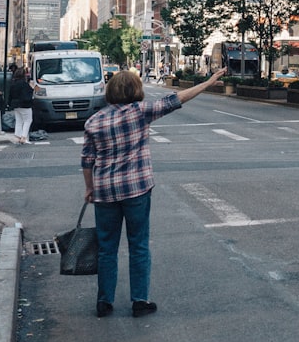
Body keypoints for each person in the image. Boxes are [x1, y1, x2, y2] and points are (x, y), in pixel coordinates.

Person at [81, 66, 228, 318]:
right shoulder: (141, 112)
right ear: (136, 90)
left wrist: (90, 188)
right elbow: (177, 99)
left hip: (105, 192)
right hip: (137, 189)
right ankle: (139, 300)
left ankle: (104, 301)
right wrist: (208, 82)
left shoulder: (94, 121)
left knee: (107, 248)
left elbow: (87, 160)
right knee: (138, 245)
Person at [9, 66, 35, 144]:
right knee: (28, 120)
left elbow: (10, 95)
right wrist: (32, 88)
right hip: (25, 105)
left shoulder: (13, 84)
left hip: (16, 105)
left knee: (19, 121)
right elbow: (28, 94)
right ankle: (23, 137)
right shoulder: (24, 84)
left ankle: (17, 136)